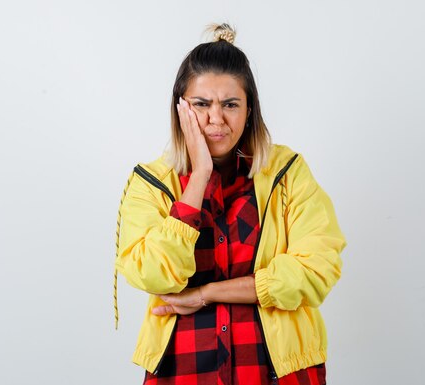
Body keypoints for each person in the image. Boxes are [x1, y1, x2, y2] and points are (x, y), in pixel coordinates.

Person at [114, 23, 347, 385]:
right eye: (201, 105)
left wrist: (206, 294)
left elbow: (315, 271)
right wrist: (200, 176)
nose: (216, 119)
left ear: (249, 109)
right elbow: (151, 274)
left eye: (230, 104)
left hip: (278, 373)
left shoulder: (288, 173)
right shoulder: (151, 183)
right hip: (183, 372)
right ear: (180, 109)